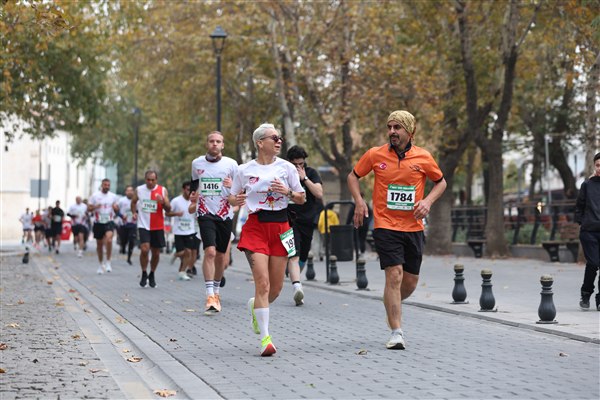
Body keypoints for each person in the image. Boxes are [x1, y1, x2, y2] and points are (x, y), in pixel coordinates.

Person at [347, 110, 446, 350]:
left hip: (413, 227)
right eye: (389, 127)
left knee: (409, 282)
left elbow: (440, 182)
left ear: (409, 131)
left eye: (397, 127)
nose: (392, 131)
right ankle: (396, 332)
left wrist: (427, 202)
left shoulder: (423, 157)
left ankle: (392, 307)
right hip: (385, 225)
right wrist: (359, 201)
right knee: (394, 275)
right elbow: (353, 176)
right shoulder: (375, 154)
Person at [229, 123, 305, 356]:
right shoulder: (244, 170)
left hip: (281, 227)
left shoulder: (287, 168)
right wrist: (235, 200)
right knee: (262, 283)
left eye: (280, 137)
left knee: (275, 288)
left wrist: (287, 192)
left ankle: (255, 305)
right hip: (256, 227)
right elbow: (231, 197)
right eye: (274, 138)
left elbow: (301, 198)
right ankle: (265, 339)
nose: (279, 141)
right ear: (260, 143)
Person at [189, 131, 238, 314]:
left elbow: (239, 192)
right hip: (205, 213)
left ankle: (216, 292)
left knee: (220, 257)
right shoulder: (197, 163)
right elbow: (194, 185)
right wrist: (193, 197)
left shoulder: (231, 164)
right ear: (207, 144)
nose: (215, 144)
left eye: (218, 141)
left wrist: (231, 187)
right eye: (212, 141)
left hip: (225, 215)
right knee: (209, 252)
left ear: (223, 145)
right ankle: (209, 294)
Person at [286, 145, 324, 306]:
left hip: (307, 221)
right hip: (289, 220)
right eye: (295, 164)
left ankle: (296, 280)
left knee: (302, 257)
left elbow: (319, 193)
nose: (298, 167)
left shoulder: (311, 173)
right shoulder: (283, 173)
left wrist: (305, 178)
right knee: (294, 254)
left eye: (301, 164)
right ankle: (297, 287)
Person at [132, 170, 171, 288]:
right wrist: (134, 212)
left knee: (156, 253)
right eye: (148, 180)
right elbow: (133, 202)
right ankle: (144, 272)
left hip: (157, 225)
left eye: (153, 180)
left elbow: (168, 209)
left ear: (156, 180)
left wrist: (163, 202)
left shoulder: (162, 190)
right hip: (143, 224)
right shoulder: (139, 190)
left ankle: (152, 273)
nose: (150, 182)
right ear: (145, 179)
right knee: (144, 249)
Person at [575, 152, 600, 311]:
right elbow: (579, 206)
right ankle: (585, 293)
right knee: (593, 263)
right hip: (589, 231)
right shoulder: (587, 185)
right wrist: (582, 222)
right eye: (597, 165)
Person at [88, 179, 119, 274]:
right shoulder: (95, 196)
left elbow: (117, 210)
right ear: (102, 185)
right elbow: (89, 208)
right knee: (99, 244)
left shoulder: (113, 196)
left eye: (108, 185)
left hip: (109, 221)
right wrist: (95, 207)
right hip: (98, 222)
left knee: (109, 240)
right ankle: (100, 264)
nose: (107, 187)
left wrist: (115, 208)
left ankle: (108, 262)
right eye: (105, 185)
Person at [167, 181, 196, 282]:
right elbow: (167, 213)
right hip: (179, 231)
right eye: (188, 190)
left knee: (189, 252)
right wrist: (176, 213)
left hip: (190, 230)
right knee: (182, 252)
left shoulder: (195, 201)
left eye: (191, 190)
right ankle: (176, 254)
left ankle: (182, 272)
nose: (189, 192)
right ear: (183, 189)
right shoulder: (176, 201)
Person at [116, 186, 137, 265]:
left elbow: (139, 210)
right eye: (128, 191)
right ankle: (123, 246)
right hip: (123, 224)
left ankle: (129, 257)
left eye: (131, 190)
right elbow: (116, 210)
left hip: (132, 223)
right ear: (125, 192)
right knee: (123, 240)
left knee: (132, 240)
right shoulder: (121, 200)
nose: (130, 192)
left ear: (133, 192)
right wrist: (121, 216)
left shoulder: (136, 201)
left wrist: (136, 214)